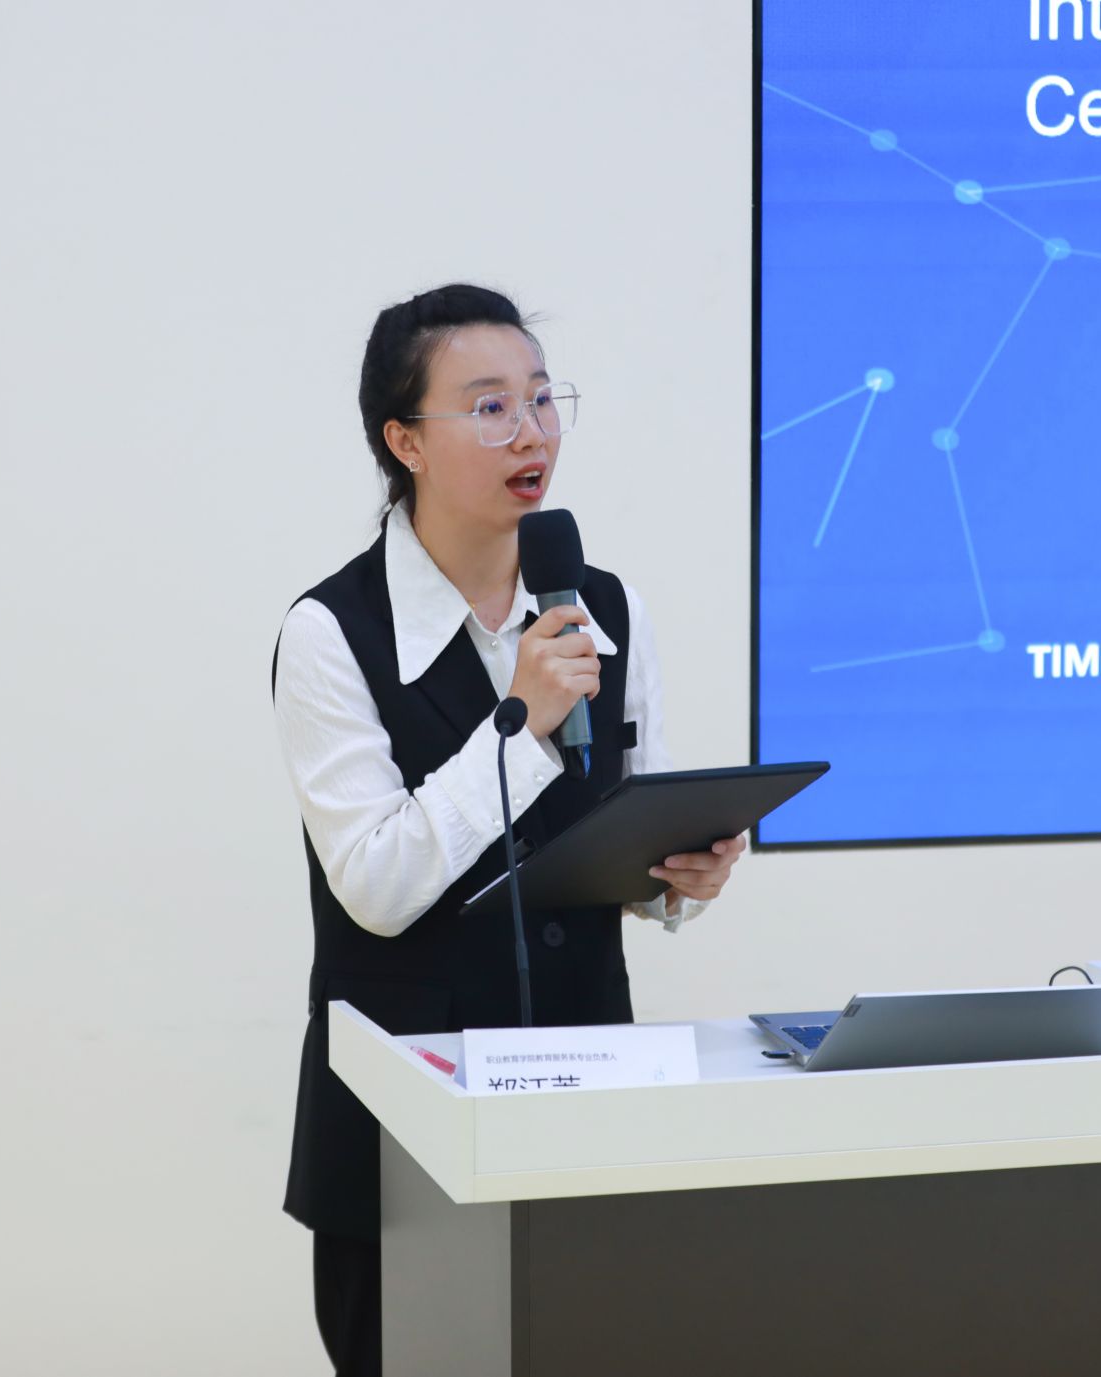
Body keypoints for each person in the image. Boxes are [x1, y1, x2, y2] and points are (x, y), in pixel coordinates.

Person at [271, 283, 746, 1375]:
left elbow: (622, 826)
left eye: (541, 398)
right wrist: (520, 727)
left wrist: (678, 873)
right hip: (404, 1128)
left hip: (589, 1089)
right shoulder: (330, 633)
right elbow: (377, 886)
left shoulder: (603, 606)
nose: (532, 431)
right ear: (404, 441)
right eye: (490, 407)